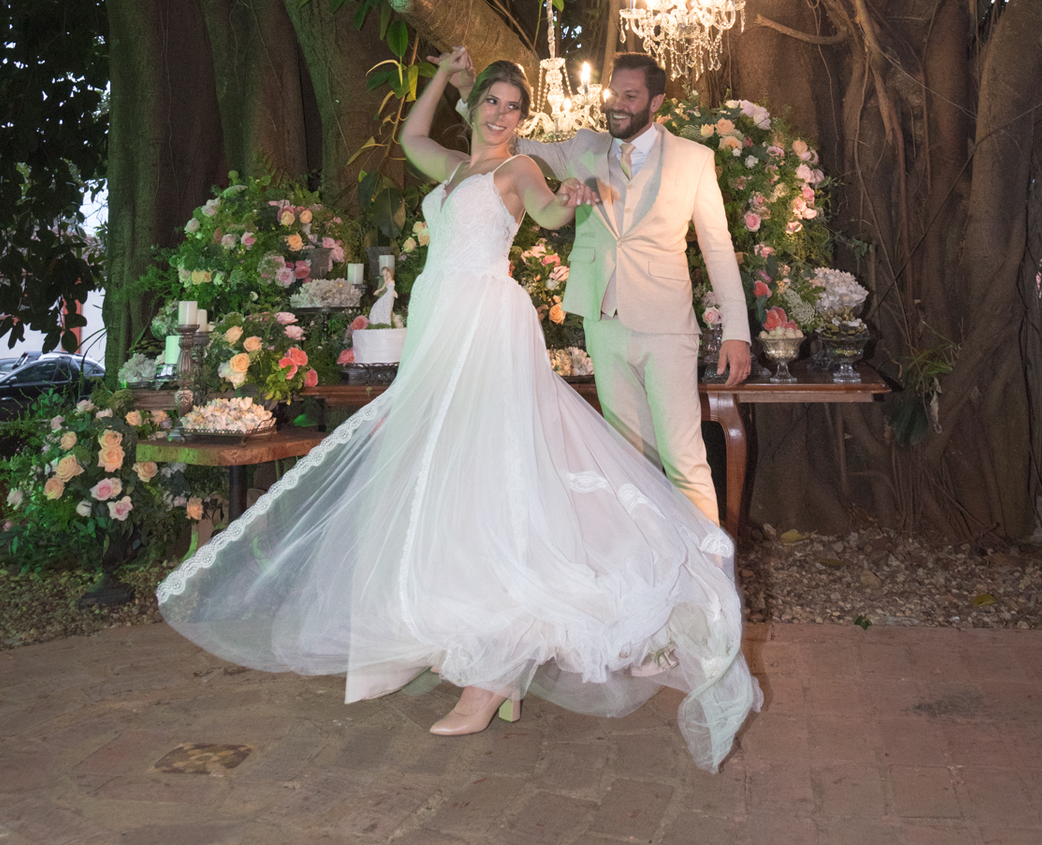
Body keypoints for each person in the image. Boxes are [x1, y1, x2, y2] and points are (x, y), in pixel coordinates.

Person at [157, 52, 760, 771]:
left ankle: (491, 672)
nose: (502, 115)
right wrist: (441, 75)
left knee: (490, 480)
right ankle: (437, 636)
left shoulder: (520, 170)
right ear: (473, 106)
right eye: (492, 102)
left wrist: (570, 195)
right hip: (438, 329)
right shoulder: (449, 168)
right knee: (431, 475)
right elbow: (411, 138)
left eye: (513, 107)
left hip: (487, 326)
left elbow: (547, 209)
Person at [451, 49, 750, 524]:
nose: (617, 105)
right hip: (604, 323)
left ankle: (712, 587)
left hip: (667, 327)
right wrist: (469, 92)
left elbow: (717, 248)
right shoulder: (583, 146)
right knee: (628, 463)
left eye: (631, 97)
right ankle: (651, 578)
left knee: (684, 461)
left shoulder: (695, 159)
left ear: (656, 103)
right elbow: (509, 142)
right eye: (614, 94)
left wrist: (737, 330)